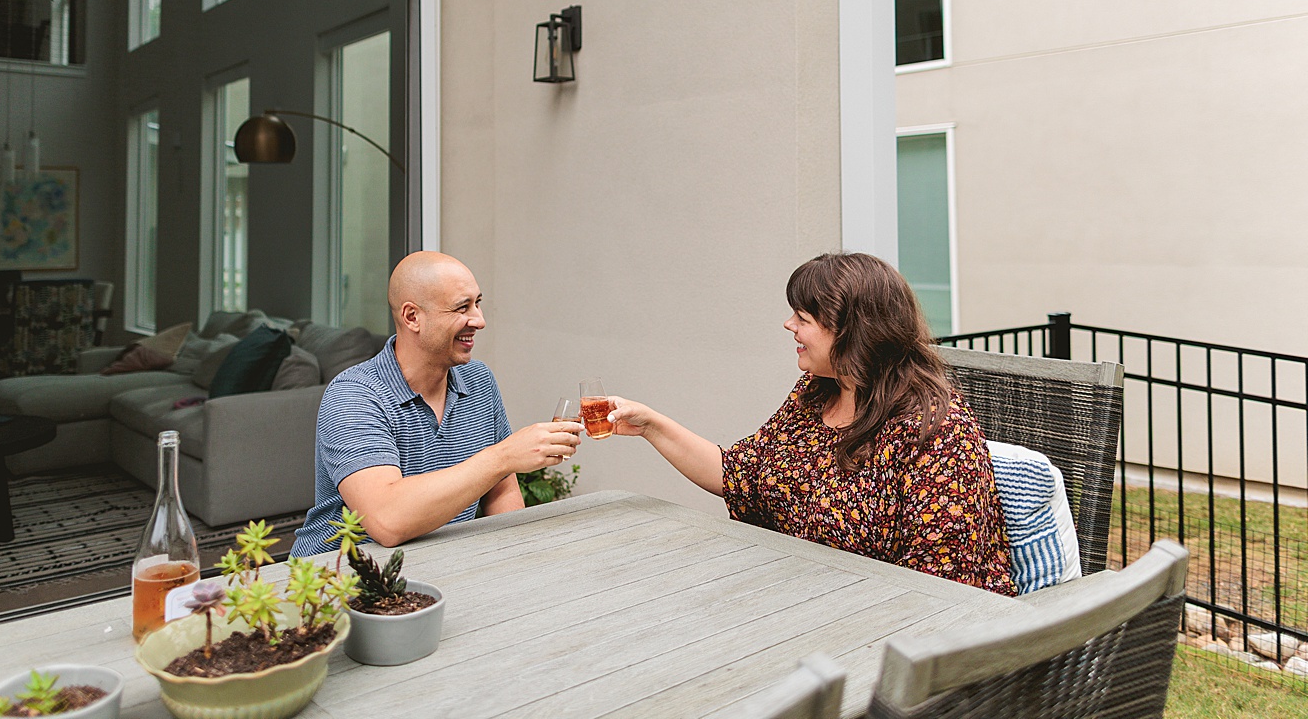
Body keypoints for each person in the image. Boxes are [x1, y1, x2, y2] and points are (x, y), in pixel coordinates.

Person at [607, 252, 1016, 595]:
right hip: (797, 598)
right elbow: (739, 474)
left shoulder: (933, 427)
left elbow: (939, 582)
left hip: (897, 633)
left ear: (853, 331)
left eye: (803, 317)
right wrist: (649, 425)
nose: (790, 325)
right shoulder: (815, 393)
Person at [290, 251, 581, 555]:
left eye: (477, 303)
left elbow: (501, 491)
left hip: (441, 567)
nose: (479, 320)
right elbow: (387, 521)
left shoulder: (478, 380)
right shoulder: (355, 396)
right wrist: (503, 457)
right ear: (412, 317)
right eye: (461, 308)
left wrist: (520, 558)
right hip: (337, 583)